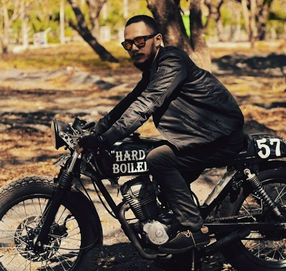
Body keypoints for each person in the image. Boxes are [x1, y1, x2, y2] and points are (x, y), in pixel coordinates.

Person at [78, 15, 244, 253]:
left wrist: (104, 139)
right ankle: (170, 229)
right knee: (158, 178)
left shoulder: (172, 61)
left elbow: (147, 103)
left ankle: (192, 230)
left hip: (220, 136)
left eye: (139, 41)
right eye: (128, 44)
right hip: (198, 136)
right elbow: (129, 103)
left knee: (158, 158)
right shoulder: (153, 69)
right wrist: (96, 130)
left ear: (157, 39)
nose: (134, 48)